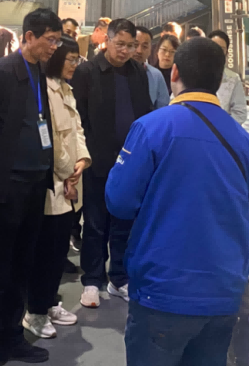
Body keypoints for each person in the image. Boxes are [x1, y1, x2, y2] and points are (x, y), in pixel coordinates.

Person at [106, 37, 249, 366]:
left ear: (175, 72)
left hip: (162, 290)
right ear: (220, 80)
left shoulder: (152, 127)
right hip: (223, 294)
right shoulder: (244, 142)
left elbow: (119, 201)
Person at [0, 8, 63, 365]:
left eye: (57, 41)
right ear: (29, 37)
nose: (54, 47)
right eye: (50, 40)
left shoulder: (38, 71)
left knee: (22, 267)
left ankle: (12, 337)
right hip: (6, 188)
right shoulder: (4, 73)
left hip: (34, 185)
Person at [71, 18, 152, 310]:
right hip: (98, 161)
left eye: (131, 46)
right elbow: (78, 118)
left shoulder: (138, 72)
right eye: (121, 44)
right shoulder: (87, 71)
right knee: (95, 224)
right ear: (107, 39)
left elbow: (144, 113)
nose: (126, 51)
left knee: (124, 224)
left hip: (130, 162)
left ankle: (119, 278)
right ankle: (92, 280)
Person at [23, 37, 88, 340]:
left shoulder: (66, 88)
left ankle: (49, 303)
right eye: (70, 59)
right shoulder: (43, 90)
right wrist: (66, 173)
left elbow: (76, 131)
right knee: (44, 252)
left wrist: (82, 160)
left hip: (69, 182)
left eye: (77, 59)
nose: (74, 64)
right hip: (52, 183)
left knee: (59, 250)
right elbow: (49, 140)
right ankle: (34, 311)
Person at [208, 30, 249, 124]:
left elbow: (240, 113)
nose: (217, 52)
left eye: (221, 49)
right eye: (214, 47)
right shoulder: (195, 74)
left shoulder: (233, 79)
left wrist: (222, 125)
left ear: (227, 52)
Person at [133, 26, 169, 109]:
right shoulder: (116, 72)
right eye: (135, 45)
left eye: (145, 46)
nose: (139, 51)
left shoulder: (156, 75)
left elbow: (162, 108)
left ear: (150, 50)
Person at [151, 33, 179, 98]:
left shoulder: (178, 77)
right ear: (157, 51)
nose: (167, 54)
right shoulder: (149, 73)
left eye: (172, 52)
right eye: (164, 49)